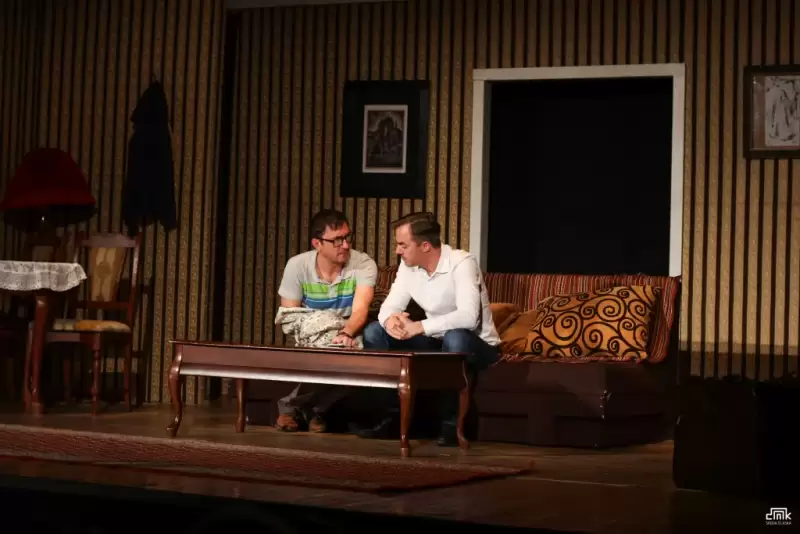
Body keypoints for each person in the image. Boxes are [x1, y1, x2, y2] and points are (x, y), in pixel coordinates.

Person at [361, 212, 500, 446]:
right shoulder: (408, 267)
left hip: (477, 345)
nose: (397, 250)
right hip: (435, 340)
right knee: (374, 331)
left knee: (455, 338)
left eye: (403, 245)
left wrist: (419, 326)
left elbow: (468, 318)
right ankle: (393, 419)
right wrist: (390, 322)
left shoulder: (462, 263)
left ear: (425, 246)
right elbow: (389, 307)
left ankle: (451, 425)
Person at [276, 208, 377, 433]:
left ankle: (300, 408)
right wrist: (326, 325)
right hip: (309, 332)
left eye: (347, 237)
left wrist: (345, 333)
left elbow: (360, 311)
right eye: (337, 240)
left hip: (349, 332)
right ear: (317, 243)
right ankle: (314, 411)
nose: (345, 245)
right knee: (326, 344)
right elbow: (290, 316)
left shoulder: (363, 264)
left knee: (358, 357)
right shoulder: (297, 265)